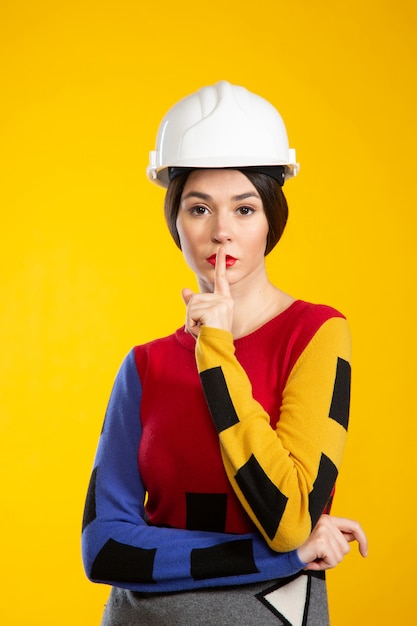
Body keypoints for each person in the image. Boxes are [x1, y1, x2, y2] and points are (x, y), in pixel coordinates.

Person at [82, 81, 367, 625]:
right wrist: (275, 558)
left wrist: (215, 347)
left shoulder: (316, 334)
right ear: (176, 222)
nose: (221, 233)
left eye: (244, 209)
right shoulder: (143, 367)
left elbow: (288, 514)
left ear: (271, 220)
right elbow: (105, 548)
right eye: (199, 208)